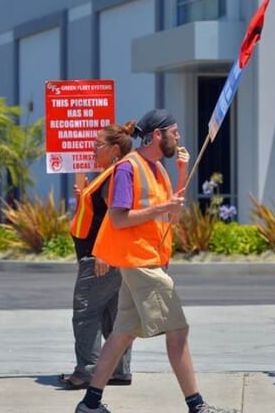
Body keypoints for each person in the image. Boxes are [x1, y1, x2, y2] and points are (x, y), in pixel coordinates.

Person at [73, 109, 233, 413]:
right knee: (178, 331)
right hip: (139, 262)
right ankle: (196, 406)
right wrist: (161, 208)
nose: (178, 137)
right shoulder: (128, 168)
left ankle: (90, 403)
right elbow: (118, 219)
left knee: (121, 334)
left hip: (149, 260)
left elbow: (173, 215)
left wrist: (183, 172)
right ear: (157, 135)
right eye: (174, 132)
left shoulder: (159, 169)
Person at [62, 122, 174, 390]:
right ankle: (118, 370)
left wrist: (102, 254)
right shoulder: (111, 173)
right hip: (113, 256)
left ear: (114, 149)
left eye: (97, 145)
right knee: (113, 314)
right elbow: (101, 210)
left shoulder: (116, 174)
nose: (92, 150)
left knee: (87, 313)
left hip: (100, 257)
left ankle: (87, 370)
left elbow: (115, 216)